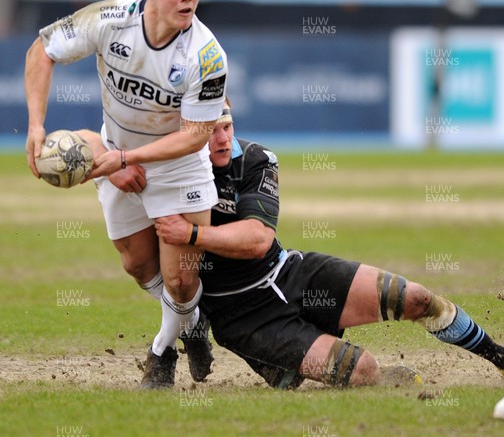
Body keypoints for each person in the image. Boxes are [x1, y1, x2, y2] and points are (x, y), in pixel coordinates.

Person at [155, 101, 504, 389]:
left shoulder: (255, 158)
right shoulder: (173, 171)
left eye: (227, 126)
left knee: (417, 299)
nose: (221, 138)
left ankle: (498, 357)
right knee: (362, 370)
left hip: (289, 273)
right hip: (243, 316)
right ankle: (360, 377)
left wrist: (191, 234)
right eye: (211, 129)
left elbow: (258, 240)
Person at [25, 0, 227, 389]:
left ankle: (161, 354)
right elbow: (42, 50)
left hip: (179, 165)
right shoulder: (110, 20)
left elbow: (194, 135)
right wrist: (36, 125)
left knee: (180, 278)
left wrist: (124, 159)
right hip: (117, 149)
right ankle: (194, 324)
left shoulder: (207, 55)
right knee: (139, 265)